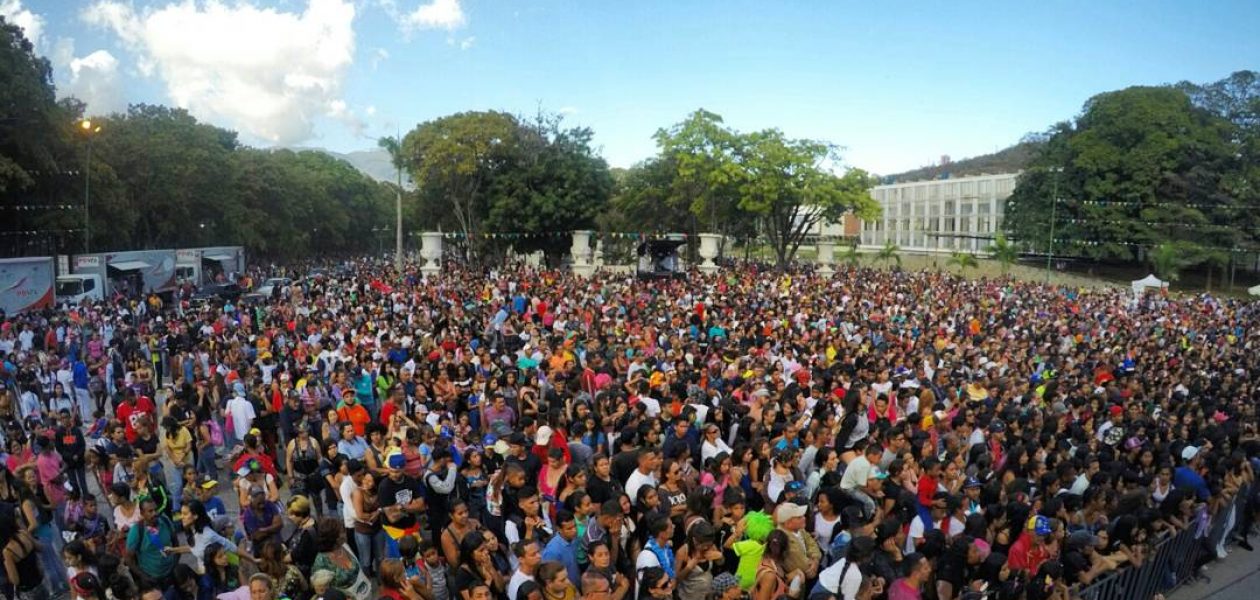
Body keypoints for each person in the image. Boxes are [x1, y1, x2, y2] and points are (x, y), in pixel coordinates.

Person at [125, 498, 178, 587]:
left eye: (155, 510)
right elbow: (129, 559)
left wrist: (175, 563)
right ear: (142, 513)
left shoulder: (165, 520)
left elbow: (175, 542)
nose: (155, 513)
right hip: (153, 579)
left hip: (172, 573)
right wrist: (144, 577)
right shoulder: (136, 531)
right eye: (150, 511)